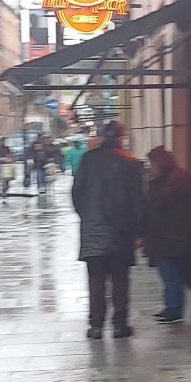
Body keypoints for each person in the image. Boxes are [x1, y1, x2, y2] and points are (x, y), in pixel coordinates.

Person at [72, 121, 144, 339]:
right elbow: (137, 200)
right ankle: (120, 325)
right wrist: (139, 231)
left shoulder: (88, 159)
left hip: (93, 229)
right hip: (121, 231)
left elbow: (76, 192)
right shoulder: (131, 162)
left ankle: (96, 326)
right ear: (121, 138)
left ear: (102, 137)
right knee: (120, 280)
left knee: (96, 280)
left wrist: (87, 217)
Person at [144, 146, 191, 323]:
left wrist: (152, 182)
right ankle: (170, 306)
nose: (151, 167)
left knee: (171, 275)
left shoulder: (176, 179)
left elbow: (159, 201)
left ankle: (173, 308)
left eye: (152, 164)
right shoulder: (171, 178)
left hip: (171, 236)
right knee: (168, 274)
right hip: (165, 235)